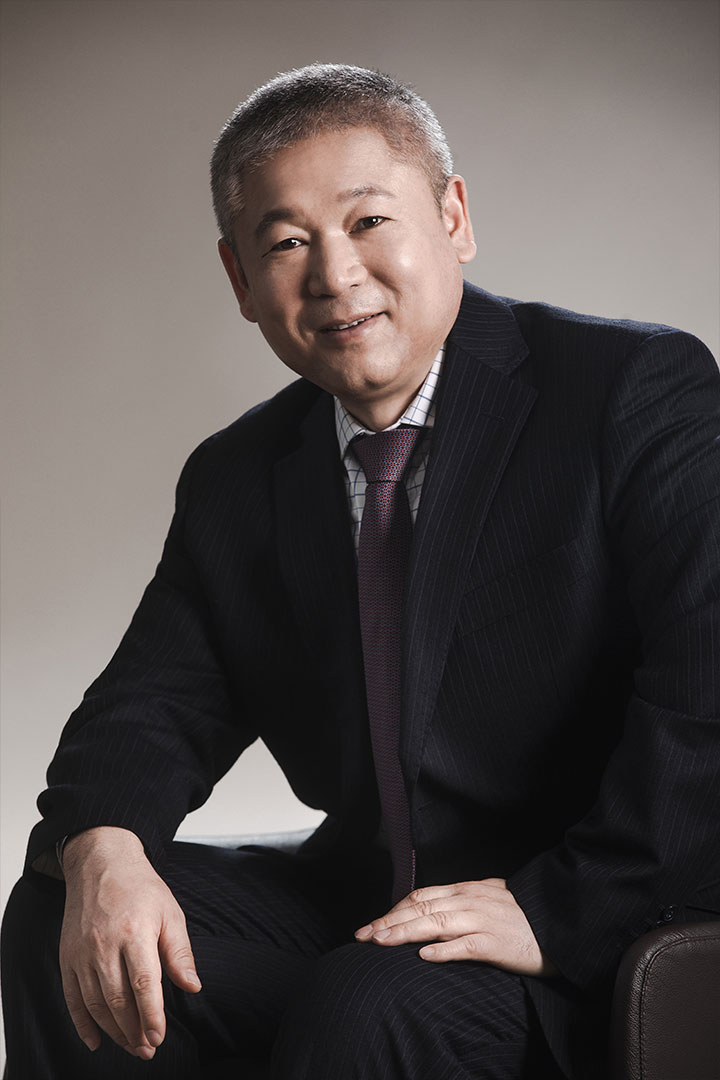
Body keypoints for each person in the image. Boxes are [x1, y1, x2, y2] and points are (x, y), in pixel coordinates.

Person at [2, 62, 719, 1080]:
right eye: (287, 243)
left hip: (591, 911)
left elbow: (706, 689)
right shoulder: (241, 476)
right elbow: (148, 709)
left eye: (369, 221)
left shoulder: (632, 391)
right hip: (372, 899)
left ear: (453, 218)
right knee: (63, 916)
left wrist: (560, 907)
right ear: (240, 280)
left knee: (369, 1007)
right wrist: (104, 848)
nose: (334, 276)